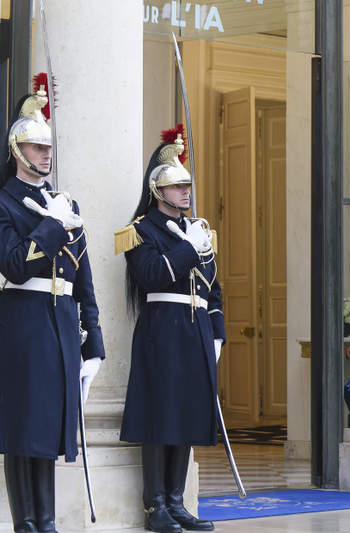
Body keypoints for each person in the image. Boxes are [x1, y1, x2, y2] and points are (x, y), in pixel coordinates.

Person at [0, 83, 104, 533]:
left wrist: (94, 342)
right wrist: (51, 225)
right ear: (16, 150)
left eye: (48, 147)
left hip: (61, 324)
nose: (45, 154)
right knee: (23, 428)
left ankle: (46, 521)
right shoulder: (4, 202)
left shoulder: (65, 204)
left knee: (48, 428)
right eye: (36, 147)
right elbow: (14, 264)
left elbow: (84, 279)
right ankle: (27, 523)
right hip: (23, 321)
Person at [116, 127, 224, 533]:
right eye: (178, 186)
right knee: (160, 416)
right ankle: (155, 504)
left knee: (188, 414)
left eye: (187, 186)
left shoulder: (199, 229)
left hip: (196, 330)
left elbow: (214, 287)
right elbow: (151, 275)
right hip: (162, 329)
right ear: (158, 190)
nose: (185, 192)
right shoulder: (141, 230)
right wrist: (187, 248)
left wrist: (217, 331)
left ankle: (177, 501)